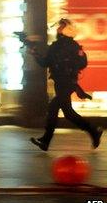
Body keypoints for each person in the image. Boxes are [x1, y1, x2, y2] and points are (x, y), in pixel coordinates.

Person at [30, 18, 102, 151]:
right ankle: (94, 131)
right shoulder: (56, 46)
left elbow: (82, 63)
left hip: (68, 83)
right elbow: (45, 62)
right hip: (60, 83)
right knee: (68, 113)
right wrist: (34, 53)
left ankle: (46, 140)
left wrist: (69, 66)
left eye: (61, 27)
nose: (58, 29)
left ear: (66, 30)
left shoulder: (73, 46)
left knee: (53, 107)